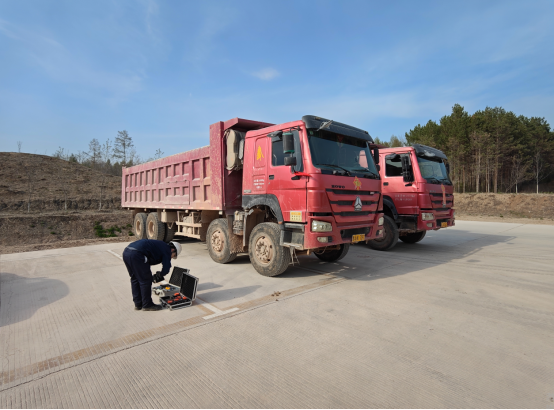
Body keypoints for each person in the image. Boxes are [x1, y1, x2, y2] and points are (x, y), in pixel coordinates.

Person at [122, 239, 182, 311]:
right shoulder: (167, 250)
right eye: (174, 255)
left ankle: (138, 304)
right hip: (137, 254)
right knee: (146, 280)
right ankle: (147, 305)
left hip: (127, 252)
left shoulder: (161, 246)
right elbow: (166, 267)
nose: (171, 257)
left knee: (135, 279)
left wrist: (159, 274)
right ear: (173, 250)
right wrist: (161, 275)